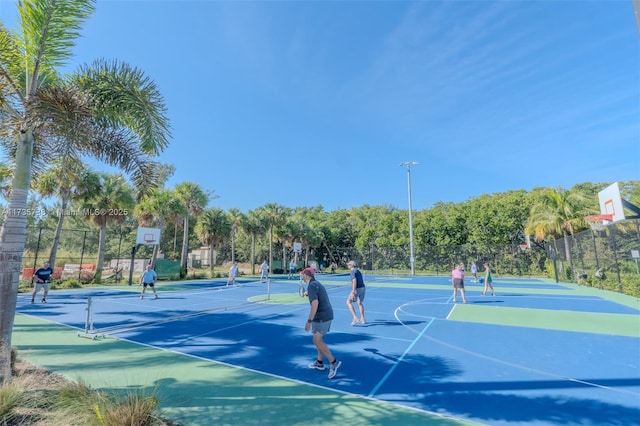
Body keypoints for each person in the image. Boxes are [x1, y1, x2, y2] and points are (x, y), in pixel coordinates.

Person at [302, 267, 342, 379]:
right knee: (318, 340)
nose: (302, 276)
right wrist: (307, 293)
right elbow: (315, 295)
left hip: (322, 317)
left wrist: (309, 321)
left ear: (306, 275)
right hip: (324, 315)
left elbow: (315, 303)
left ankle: (333, 362)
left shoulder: (312, 286)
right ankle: (319, 363)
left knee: (316, 340)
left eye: (303, 275)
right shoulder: (315, 284)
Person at [346, 260, 366, 325]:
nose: (348, 265)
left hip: (358, 288)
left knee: (348, 302)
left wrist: (353, 291)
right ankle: (362, 318)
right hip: (363, 287)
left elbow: (354, 281)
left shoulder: (353, 272)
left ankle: (355, 317)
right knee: (359, 302)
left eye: (349, 264)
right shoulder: (358, 271)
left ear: (351, 265)